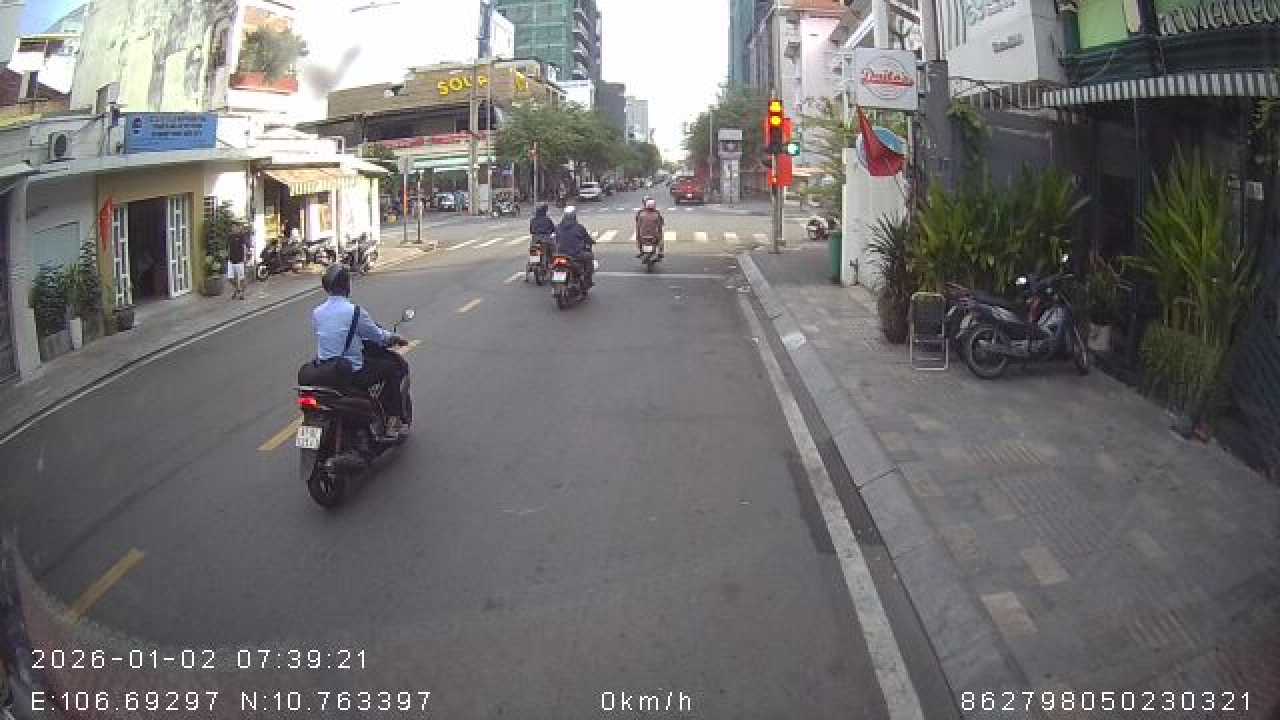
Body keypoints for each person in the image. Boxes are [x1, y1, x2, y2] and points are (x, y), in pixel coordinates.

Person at [314, 265, 410, 437]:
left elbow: (332, 334)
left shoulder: (317, 312)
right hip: (352, 373)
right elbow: (378, 336)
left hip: (326, 371)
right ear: (347, 285)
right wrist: (395, 338)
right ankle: (393, 421)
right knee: (392, 368)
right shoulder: (355, 312)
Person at [554, 206, 594, 289]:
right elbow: (587, 239)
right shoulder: (579, 227)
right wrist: (591, 242)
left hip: (559, 254)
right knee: (589, 257)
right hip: (575, 254)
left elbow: (556, 239)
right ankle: (587, 280)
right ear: (574, 216)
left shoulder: (558, 227)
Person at [227, 228, 251, 299]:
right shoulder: (230, 236)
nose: (234, 228)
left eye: (235, 227)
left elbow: (245, 247)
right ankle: (237, 289)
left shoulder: (241, 237)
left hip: (240, 261)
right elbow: (228, 247)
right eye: (233, 227)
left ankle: (242, 294)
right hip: (231, 260)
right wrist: (228, 256)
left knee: (242, 278)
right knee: (230, 278)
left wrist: (245, 259)